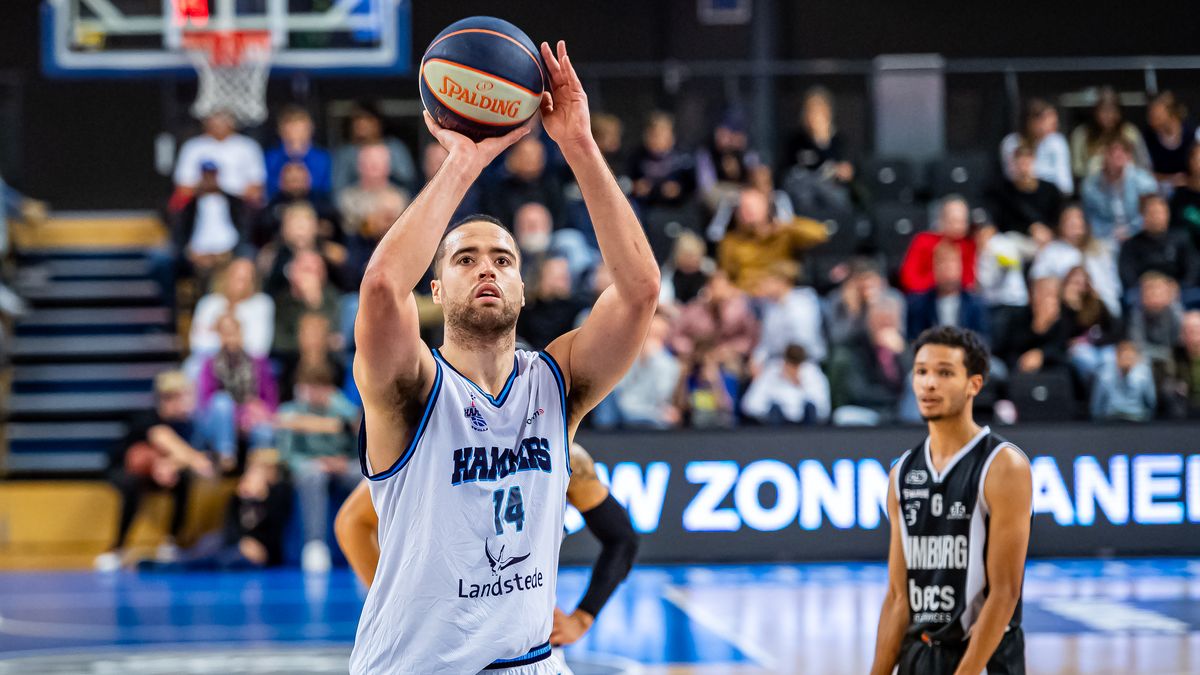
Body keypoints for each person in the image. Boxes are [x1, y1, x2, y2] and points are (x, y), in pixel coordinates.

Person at [349, 40, 659, 674]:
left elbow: (640, 290)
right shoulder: (411, 388)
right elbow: (381, 288)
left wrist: (578, 142)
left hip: (533, 662)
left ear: (522, 286)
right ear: (436, 291)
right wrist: (463, 161)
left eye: (503, 260)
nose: (486, 268)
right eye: (464, 259)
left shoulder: (556, 382)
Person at [335, 443, 638, 646]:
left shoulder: (564, 452)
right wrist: (395, 606)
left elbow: (621, 538)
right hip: (441, 634)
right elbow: (352, 523)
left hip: (523, 637)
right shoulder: (437, 440)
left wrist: (582, 617)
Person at [869, 326, 1031, 675]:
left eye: (944, 373)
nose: (929, 384)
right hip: (921, 655)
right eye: (921, 372)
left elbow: (1004, 593)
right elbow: (899, 597)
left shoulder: (1003, 464)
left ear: (974, 384)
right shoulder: (902, 473)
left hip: (983, 660)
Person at [95, 371, 217, 572]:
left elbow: (184, 454)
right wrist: (193, 460)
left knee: (184, 480)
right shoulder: (147, 418)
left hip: (162, 474)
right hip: (124, 469)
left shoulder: (187, 424)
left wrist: (171, 464)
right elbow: (162, 438)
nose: (184, 402)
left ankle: (172, 542)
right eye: (179, 397)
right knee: (131, 485)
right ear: (165, 398)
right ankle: (117, 548)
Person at [138, 449, 293, 571]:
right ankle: (171, 562)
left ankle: (174, 565)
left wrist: (261, 497)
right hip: (236, 544)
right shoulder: (238, 497)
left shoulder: (279, 494)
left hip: (260, 553)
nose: (251, 476)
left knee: (224, 559)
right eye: (250, 471)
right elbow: (230, 525)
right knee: (209, 543)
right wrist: (246, 500)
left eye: (258, 471)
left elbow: (276, 528)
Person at [276, 361, 362, 573]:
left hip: (341, 466)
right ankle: (315, 545)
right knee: (312, 475)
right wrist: (317, 463)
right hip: (310, 465)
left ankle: (367, 540)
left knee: (364, 476)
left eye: (321, 387)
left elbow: (361, 442)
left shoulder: (343, 410)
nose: (316, 393)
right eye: (311, 387)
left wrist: (342, 463)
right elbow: (288, 455)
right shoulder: (289, 412)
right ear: (302, 388)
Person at [196, 314, 278, 469]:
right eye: (226, 333)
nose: (231, 337)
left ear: (242, 333)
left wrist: (252, 414)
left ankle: (256, 472)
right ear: (219, 335)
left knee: (265, 431)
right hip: (220, 423)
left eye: (234, 332)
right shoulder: (209, 364)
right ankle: (226, 455)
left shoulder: (258, 362)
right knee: (222, 401)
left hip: (252, 419)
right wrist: (238, 417)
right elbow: (205, 404)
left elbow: (271, 401)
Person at [716, 186, 827, 293]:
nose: (747, 212)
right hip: (748, 297)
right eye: (743, 207)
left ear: (766, 207)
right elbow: (726, 277)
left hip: (782, 294)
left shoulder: (783, 232)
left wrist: (785, 226)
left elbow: (820, 234)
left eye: (753, 206)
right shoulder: (731, 241)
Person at [1029, 204, 1121, 316]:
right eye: (1069, 219)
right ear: (1061, 224)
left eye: (1077, 218)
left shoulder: (1100, 251)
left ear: (1085, 224)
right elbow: (1039, 282)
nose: (1073, 223)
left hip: (1098, 310)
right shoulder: (1051, 251)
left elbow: (1111, 287)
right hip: (1063, 309)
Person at [780, 86, 855, 211]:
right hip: (803, 194)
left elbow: (846, 169)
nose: (815, 116)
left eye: (820, 111)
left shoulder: (839, 141)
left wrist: (822, 141)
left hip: (831, 192)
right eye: (811, 110)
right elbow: (787, 174)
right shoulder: (795, 141)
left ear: (828, 113)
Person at [172, 110, 266, 209]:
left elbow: (257, 191)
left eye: (224, 117)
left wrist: (224, 190)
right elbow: (182, 190)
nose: (220, 121)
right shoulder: (192, 147)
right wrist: (205, 186)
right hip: (199, 211)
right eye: (215, 116)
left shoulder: (248, 146)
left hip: (238, 213)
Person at [189, 258, 274, 364]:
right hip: (208, 363)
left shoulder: (262, 303)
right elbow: (198, 343)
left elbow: (259, 348)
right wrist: (236, 338)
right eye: (237, 277)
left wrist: (216, 331)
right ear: (225, 277)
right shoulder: (208, 303)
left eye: (247, 278)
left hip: (248, 365)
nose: (242, 283)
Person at [906, 242, 990, 342]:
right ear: (934, 267)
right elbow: (914, 339)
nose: (947, 267)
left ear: (960, 267)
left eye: (952, 262)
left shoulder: (976, 303)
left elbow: (984, 339)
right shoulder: (919, 305)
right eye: (941, 262)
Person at [1118, 194, 1198, 296]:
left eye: (1160, 212)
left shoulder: (1181, 238)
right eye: (1152, 213)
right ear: (1143, 215)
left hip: (1179, 290)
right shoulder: (1131, 244)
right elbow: (1127, 275)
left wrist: (1179, 285)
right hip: (1143, 294)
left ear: (1168, 214)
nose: (1156, 217)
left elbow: (1193, 268)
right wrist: (1151, 289)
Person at [1080, 137, 1158, 240]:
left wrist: (1130, 231)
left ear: (1129, 156)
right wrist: (1110, 234)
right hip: (1104, 237)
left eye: (1123, 151)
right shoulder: (1090, 186)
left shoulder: (1144, 182)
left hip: (1138, 236)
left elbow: (1150, 212)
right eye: (1113, 152)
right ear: (1104, 155)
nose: (1118, 155)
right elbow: (1090, 219)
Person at [899, 195, 978, 294]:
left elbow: (968, 282)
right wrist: (939, 281)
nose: (958, 226)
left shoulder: (969, 246)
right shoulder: (923, 241)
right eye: (953, 221)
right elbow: (908, 278)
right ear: (942, 220)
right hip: (924, 298)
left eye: (962, 221)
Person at [332, 103, 418, 194]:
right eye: (357, 120)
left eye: (367, 119)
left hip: (392, 200)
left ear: (378, 123)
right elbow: (338, 188)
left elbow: (407, 180)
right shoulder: (346, 153)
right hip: (356, 201)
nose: (361, 124)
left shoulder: (395, 147)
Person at [1069, 86, 1150, 180]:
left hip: (1127, 184)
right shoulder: (1081, 134)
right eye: (1103, 110)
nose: (1108, 115)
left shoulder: (1129, 132)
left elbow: (1143, 165)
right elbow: (1077, 169)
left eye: (1113, 110)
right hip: (1093, 186)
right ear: (1094, 111)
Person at [741, 344, 830, 425]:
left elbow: (824, 409)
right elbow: (750, 405)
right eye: (791, 363)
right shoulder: (771, 373)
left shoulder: (813, 373)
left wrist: (800, 385)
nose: (794, 369)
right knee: (775, 410)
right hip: (777, 430)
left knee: (810, 408)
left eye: (797, 364)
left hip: (807, 428)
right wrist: (772, 408)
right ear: (785, 361)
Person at [336, 143, 411, 240]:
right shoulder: (348, 198)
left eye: (379, 162)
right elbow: (350, 228)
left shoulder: (401, 196)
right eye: (369, 162)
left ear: (388, 166)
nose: (374, 166)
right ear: (359, 166)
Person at [990, 142, 1062, 243]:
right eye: (1020, 164)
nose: (1023, 168)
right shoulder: (1004, 191)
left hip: (1049, 239)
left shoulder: (1050, 190)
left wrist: (1047, 231)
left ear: (1034, 162)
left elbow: (1058, 218)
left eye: (1027, 163)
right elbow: (1003, 223)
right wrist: (1030, 229)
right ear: (1013, 165)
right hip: (1018, 240)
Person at [1000, 98, 1073, 195]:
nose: (1054, 126)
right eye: (1047, 121)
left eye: (1054, 122)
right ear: (1031, 122)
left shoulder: (1057, 141)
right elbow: (1012, 177)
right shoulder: (1011, 143)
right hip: (1018, 197)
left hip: (1052, 197)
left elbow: (1065, 183)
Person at [264, 106, 333, 199]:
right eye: (291, 128)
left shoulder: (324, 158)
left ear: (310, 130)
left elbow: (327, 189)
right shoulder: (270, 158)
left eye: (299, 129)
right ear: (281, 131)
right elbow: (267, 190)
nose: (295, 133)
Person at [1091, 340, 1156, 421]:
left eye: (1130, 358)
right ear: (1117, 358)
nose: (1127, 361)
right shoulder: (1105, 374)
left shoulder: (1144, 373)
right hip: (1110, 419)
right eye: (1124, 357)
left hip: (1137, 418)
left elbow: (1151, 402)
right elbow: (1097, 405)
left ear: (1135, 359)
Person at [1142, 91, 1197, 188]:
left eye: (1157, 115)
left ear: (1170, 112)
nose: (1151, 120)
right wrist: (1169, 179)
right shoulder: (1148, 137)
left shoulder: (1191, 133)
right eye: (1150, 115)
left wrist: (1188, 181)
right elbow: (1145, 173)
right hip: (1162, 188)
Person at [1169, 143, 1200, 252]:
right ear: (1190, 162)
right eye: (1197, 158)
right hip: (1184, 252)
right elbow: (1172, 229)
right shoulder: (1179, 195)